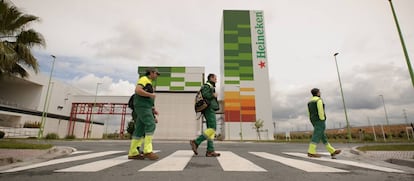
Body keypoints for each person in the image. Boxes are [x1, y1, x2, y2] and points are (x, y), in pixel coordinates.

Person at [128, 67, 160, 160]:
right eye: (156, 74)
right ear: (151, 72)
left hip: (145, 107)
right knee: (151, 124)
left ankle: (133, 152)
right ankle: (147, 151)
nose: (157, 76)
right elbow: (138, 90)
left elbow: (149, 99)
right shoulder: (144, 79)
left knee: (139, 129)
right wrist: (150, 95)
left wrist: (153, 109)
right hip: (142, 106)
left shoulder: (149, 82)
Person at [190, 73, 221, 157]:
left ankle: (210, 151)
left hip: (209, 108)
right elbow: (205, 94)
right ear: (211, 78)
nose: (216, 80)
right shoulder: (207, 85)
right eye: (215, 78)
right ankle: (196, 142)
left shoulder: (210, 86)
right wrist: (213, 95)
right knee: (212, 128)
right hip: (209, 108)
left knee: (210, 131)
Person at [307, 88, 341, 159]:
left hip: (313, 120)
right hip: (320, 120)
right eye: (319, 92)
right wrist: (322, 119)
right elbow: (320, 110)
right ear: (318, 93)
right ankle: (311, 151)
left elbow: (309, 112)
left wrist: (312, 119)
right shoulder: (319, 100)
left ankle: (332, 151)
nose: (320, 93)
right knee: (316, 135)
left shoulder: (309, 102)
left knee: (322, 136)